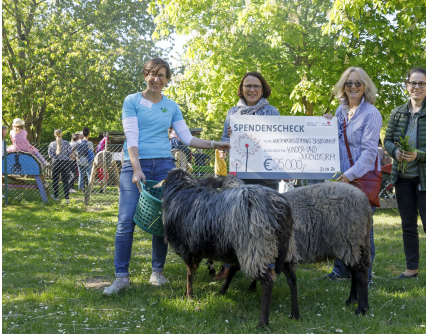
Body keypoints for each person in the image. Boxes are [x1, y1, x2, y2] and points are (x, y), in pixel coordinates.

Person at [103, 58, 230, 295]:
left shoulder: (171, 106)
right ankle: (121, 277)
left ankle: (157, 272)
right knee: (125, 221)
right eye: (152, 74)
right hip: (135, 166)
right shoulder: (132, 101)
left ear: (167, 79)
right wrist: (136, 167)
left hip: (164, 167)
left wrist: (215, 143)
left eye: (162, 75)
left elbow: (187, 137)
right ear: (145, 75)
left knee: (163, 222)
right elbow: (131, 135)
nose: (156, 79)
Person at [384, 67, 426, 282]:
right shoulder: (397, 113)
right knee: (408, 225)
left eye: (422, 84)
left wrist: (418, 155)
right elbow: (387, 141)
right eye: (413, 83)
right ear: (407, 86)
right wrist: (395, 151)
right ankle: (411, 269)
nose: (417, 87)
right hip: (403, 178)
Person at [214, 71, 281, 281]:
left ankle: (268, 266)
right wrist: (228, 142)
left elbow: (282, 141)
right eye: (248, 86)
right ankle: (228, 266)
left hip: (266, 175)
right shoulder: (233, 112)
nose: (252, 90)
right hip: (239, 175)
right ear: (242, 89)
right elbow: (225, 140)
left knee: (267, 222)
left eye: (256, 86)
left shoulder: (272, 112)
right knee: (234, 221)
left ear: (263, 89)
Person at [323, 67, 381, 283]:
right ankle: (341, 270)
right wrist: (326, 123)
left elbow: (368, 153)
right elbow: (334, 141)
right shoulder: (340, 111)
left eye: (358, 83)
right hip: (341, 178)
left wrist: (348, 175)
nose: (353, 87)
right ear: (343, 87)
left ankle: (365, 275)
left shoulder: (372, 114)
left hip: (359, 177)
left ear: (365, 86)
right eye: (349, 83)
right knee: (339, 225)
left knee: (363, 229)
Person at [48, 129, 73, 203]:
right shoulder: (66, 143)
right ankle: (67, 198)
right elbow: (70, 154)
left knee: (55, 180)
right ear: (61, 135)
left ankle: (56, 196)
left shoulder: (52, 144)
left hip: (56, 163)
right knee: (65, 181)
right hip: (65, 163)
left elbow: (50, 156)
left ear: (54, 135)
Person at [76, 127, 94, 191]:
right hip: (87, 160)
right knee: (89, 174)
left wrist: (77, 158)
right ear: (89, 134)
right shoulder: (90, 143)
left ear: (83, 135)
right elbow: (91, 152)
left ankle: (82, 188)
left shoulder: (78, 142)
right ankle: (90, 189)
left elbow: (75, 151)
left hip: (80, 160)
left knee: (81, 175)